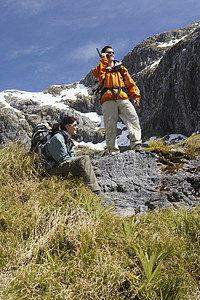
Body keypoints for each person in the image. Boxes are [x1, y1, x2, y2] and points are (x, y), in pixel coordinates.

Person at [93, 46, 142, 154]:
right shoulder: (100, 68)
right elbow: (96, 74)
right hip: (108, 99)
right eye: (108, 53)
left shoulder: (121, 69)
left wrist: (136, 97)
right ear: (103, 55)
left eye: (112, 52)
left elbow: (130, 83)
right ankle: (112, 150)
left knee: (133, 118)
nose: (112, 54)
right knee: (110, 125)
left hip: (122, 97)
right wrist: (104, 61)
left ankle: (137, 145)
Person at [44, 116, 101, 194]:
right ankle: (94, 190)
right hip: (52, 170)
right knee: (84, 159)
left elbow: (71, 157)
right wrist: (79, 163)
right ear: (67, 126)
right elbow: (61, 159)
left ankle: (78, 182)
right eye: (75, 125)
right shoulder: (58, 138)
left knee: (95, 170)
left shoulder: (67, 139)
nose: (77, 127)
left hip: (62, 166)